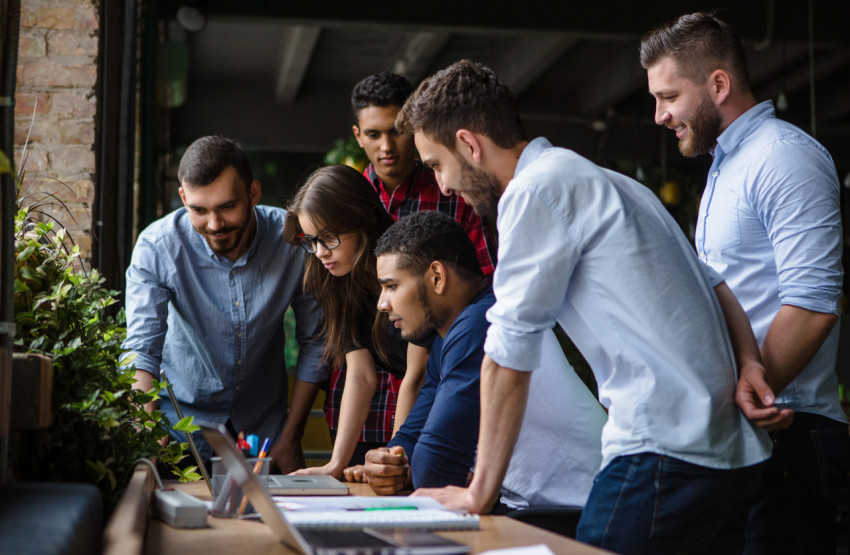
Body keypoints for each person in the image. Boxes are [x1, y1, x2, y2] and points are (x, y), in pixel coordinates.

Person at [397, 60, 774, 554]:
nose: (444, 187)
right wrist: (749, 362)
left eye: (436, 165)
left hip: (661, 448)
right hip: (732, 456)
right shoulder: (612, 182)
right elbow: (715, 285)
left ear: (469, 144)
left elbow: (507, 354)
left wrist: (479, 491)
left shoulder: (534, 192)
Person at [641, 12, 849, 554]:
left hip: (789, 430)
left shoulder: (784, 157)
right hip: (749, 428)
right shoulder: (726, 165)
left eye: (668, 97)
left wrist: (744, 401)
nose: (659, 116)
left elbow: (813, 304)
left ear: (717, 84)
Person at [343, 210, 605, 516]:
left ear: (437, 277)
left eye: (392, 286)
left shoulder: (483, 322)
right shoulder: (447, 338)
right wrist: (387, 460)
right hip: (527, 505)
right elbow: (412, 436)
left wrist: (401, 467)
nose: (382, 304)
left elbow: (435, 470)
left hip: (578, 513)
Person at [123, 135, 325, 472]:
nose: (214, 225)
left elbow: (316, 341)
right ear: (183, 198)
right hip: (179, 431)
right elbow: (141, 350)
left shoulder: (292, 241)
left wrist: (292, 435)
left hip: (267, 434)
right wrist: (146, 434)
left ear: (253, 194)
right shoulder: (157, 247)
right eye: (199, 210)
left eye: (227, 207)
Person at [351, 71, 499, 434]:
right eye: (373, 134)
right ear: (357, 136)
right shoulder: (348, 202)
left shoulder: (452, 191)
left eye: (396, 131)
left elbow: (483, 290)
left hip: (437, 386)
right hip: (358, 400)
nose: (387, 146)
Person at [284, 165, 422, 477]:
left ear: (360, 219)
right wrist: (335, 465)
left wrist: (394, 457)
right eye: (311, 240)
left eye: (329, 237)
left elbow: (418, 374)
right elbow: (360, 374)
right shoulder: (337, 279)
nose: (319, 252)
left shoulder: (405, 263)